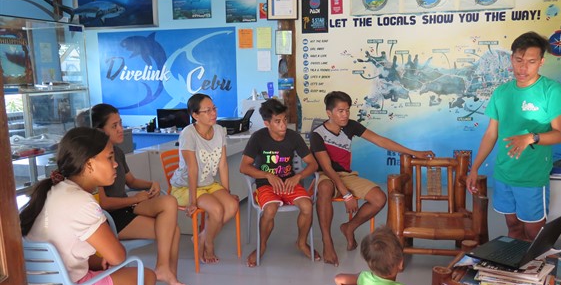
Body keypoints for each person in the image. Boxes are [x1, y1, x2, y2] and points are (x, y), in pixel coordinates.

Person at [20, 127, 156, 285]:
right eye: (109, 158)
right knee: (145, 277)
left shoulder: (51, 191)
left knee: (103, 272)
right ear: (89, 164)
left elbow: (64, 251)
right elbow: (117, 256)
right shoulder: (83, 202)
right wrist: (102, 258)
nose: (116, 164)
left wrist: (95, 260)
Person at [92, 104, 198, 285]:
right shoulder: (96, 158)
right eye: (114, 126)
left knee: (169, 201)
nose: (121, 129)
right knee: (174, 231)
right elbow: (104, 203)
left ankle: (163, 268)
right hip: (113, 217)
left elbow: (131, 181)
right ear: (100, 131)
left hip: (127, 207)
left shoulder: (118, 153)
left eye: (120, 123)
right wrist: (135, 200)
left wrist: (151, 185)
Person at [310, 91, 435, 266]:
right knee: (324, 188)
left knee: (379, 198)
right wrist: (346, 194)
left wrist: (414, 152)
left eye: (347, 110)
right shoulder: (317, 134)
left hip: (346, 176)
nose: (345, 115)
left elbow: (380, 140)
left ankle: (349, 227)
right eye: (340, 111)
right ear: (329, 113)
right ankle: (327, 241)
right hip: (327, 175)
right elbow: (327, 168)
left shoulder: (350, 126)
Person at [466, 32, 561, 241]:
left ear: (541, 62)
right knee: (513, 227)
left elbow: (559, 134)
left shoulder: (551, 90)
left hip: (532, 176)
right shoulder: (501, 93)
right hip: (504, 173)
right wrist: (474, 168)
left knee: (534, 233)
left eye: (531, 62)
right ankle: (516, 271)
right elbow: (491, 134)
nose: (523, 68)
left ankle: (537, 271)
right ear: (511, 59)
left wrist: (531, 138)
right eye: (518, 60)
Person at [239, 98, 320, 267]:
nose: (283, 125)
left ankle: (301, 242)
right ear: (267, 123)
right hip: (266, 185)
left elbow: (313, 164)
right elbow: (244, 167)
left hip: (290, 182)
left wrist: (298, 177)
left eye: (284, 120)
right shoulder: (258, 138)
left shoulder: (293, 137)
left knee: (307, 206)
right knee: (270, 209)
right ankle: (261, 246)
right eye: (277, 122)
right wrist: (267, 176)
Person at [169, 94, 239, 264]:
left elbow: (223, 164)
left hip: (208, 184)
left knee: (231, 206)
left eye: (214, 109)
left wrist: (227, 192)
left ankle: (201, 237)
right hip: (185, 187)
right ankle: (209, 243)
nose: (213, 113)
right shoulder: (188, 134)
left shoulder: (220, 131)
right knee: (216, 210)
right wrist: (193, 201)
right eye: (207, 111)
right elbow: (192, 169)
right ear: (195, 115)